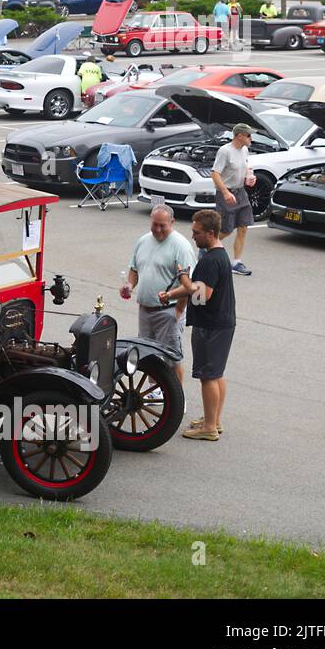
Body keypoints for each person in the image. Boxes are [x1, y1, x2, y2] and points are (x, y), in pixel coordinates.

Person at [158, 209, 235, 441]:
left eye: (197, 232)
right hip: (223, 323)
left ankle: (209, 427)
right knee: (217, 373)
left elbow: (201, 295)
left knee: (208, 376)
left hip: (210, 325)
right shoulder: (220, 255)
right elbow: (197, 289)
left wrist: (182, 279)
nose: (193, 236)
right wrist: (174, 293)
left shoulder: (210, 261)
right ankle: (215, 419)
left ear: (210, 233)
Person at [121, 204, 196, 385]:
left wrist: (178, 310)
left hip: (168, 311)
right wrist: (130, 285)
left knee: (172, 358)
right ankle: (154, 389)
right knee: (147, 355)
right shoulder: (143, 241)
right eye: (155, 224)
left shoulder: (181, 247)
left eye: (163, 225)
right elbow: (134, 268)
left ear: (172, 222)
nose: (158, 229)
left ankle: (178, 398)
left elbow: (189, 285)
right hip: (145, 310)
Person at [211, 122, 256, 276]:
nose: (251, 138)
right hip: (226, 193)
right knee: (226, 229)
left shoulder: (245, 150)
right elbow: (215, 173)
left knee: (243, 226)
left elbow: (245, 167)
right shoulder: (225, 151)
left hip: (240, 192)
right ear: (239, 136)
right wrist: (225, 192)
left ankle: (236, 263)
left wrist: (249, 177)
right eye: (249, 135)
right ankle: (206, 247)